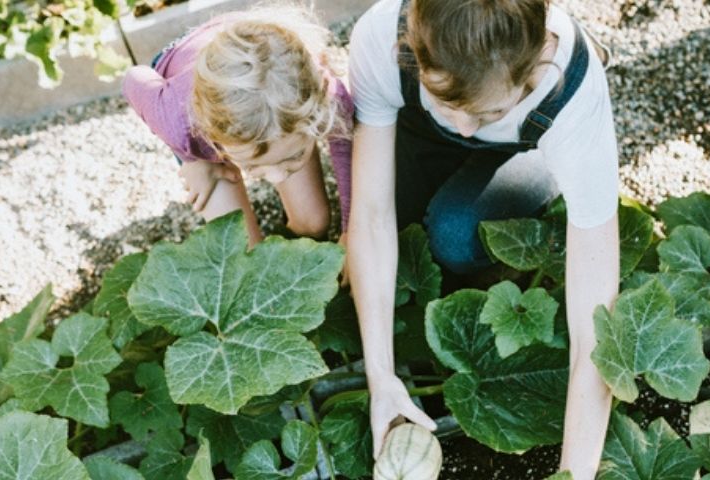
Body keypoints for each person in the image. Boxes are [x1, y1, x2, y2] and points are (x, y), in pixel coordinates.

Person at [346, 0, 619, 477]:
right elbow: (369, 216)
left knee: (454, 233)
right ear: (412, 50)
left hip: (525, 144)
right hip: (418, 130)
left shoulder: (572, 97)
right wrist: (381, 378)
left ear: (539, 60)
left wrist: (574, 473)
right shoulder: (378, 36)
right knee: (395, 242)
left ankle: (517, 148)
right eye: (448, 99)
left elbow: (594, 324)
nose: (468, 125)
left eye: (491, 108)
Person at [122, 3, 353, 245]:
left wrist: (350, 230)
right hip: (186, 73)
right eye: (253, 166)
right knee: (239, 249)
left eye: (294, 155)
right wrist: (193, 160)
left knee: (314, 223)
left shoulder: (317, 91)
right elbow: (133, 79)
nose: (275, 176)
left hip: (257, 57)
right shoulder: (177, 120)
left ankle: (286, 255)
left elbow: (347, 149)